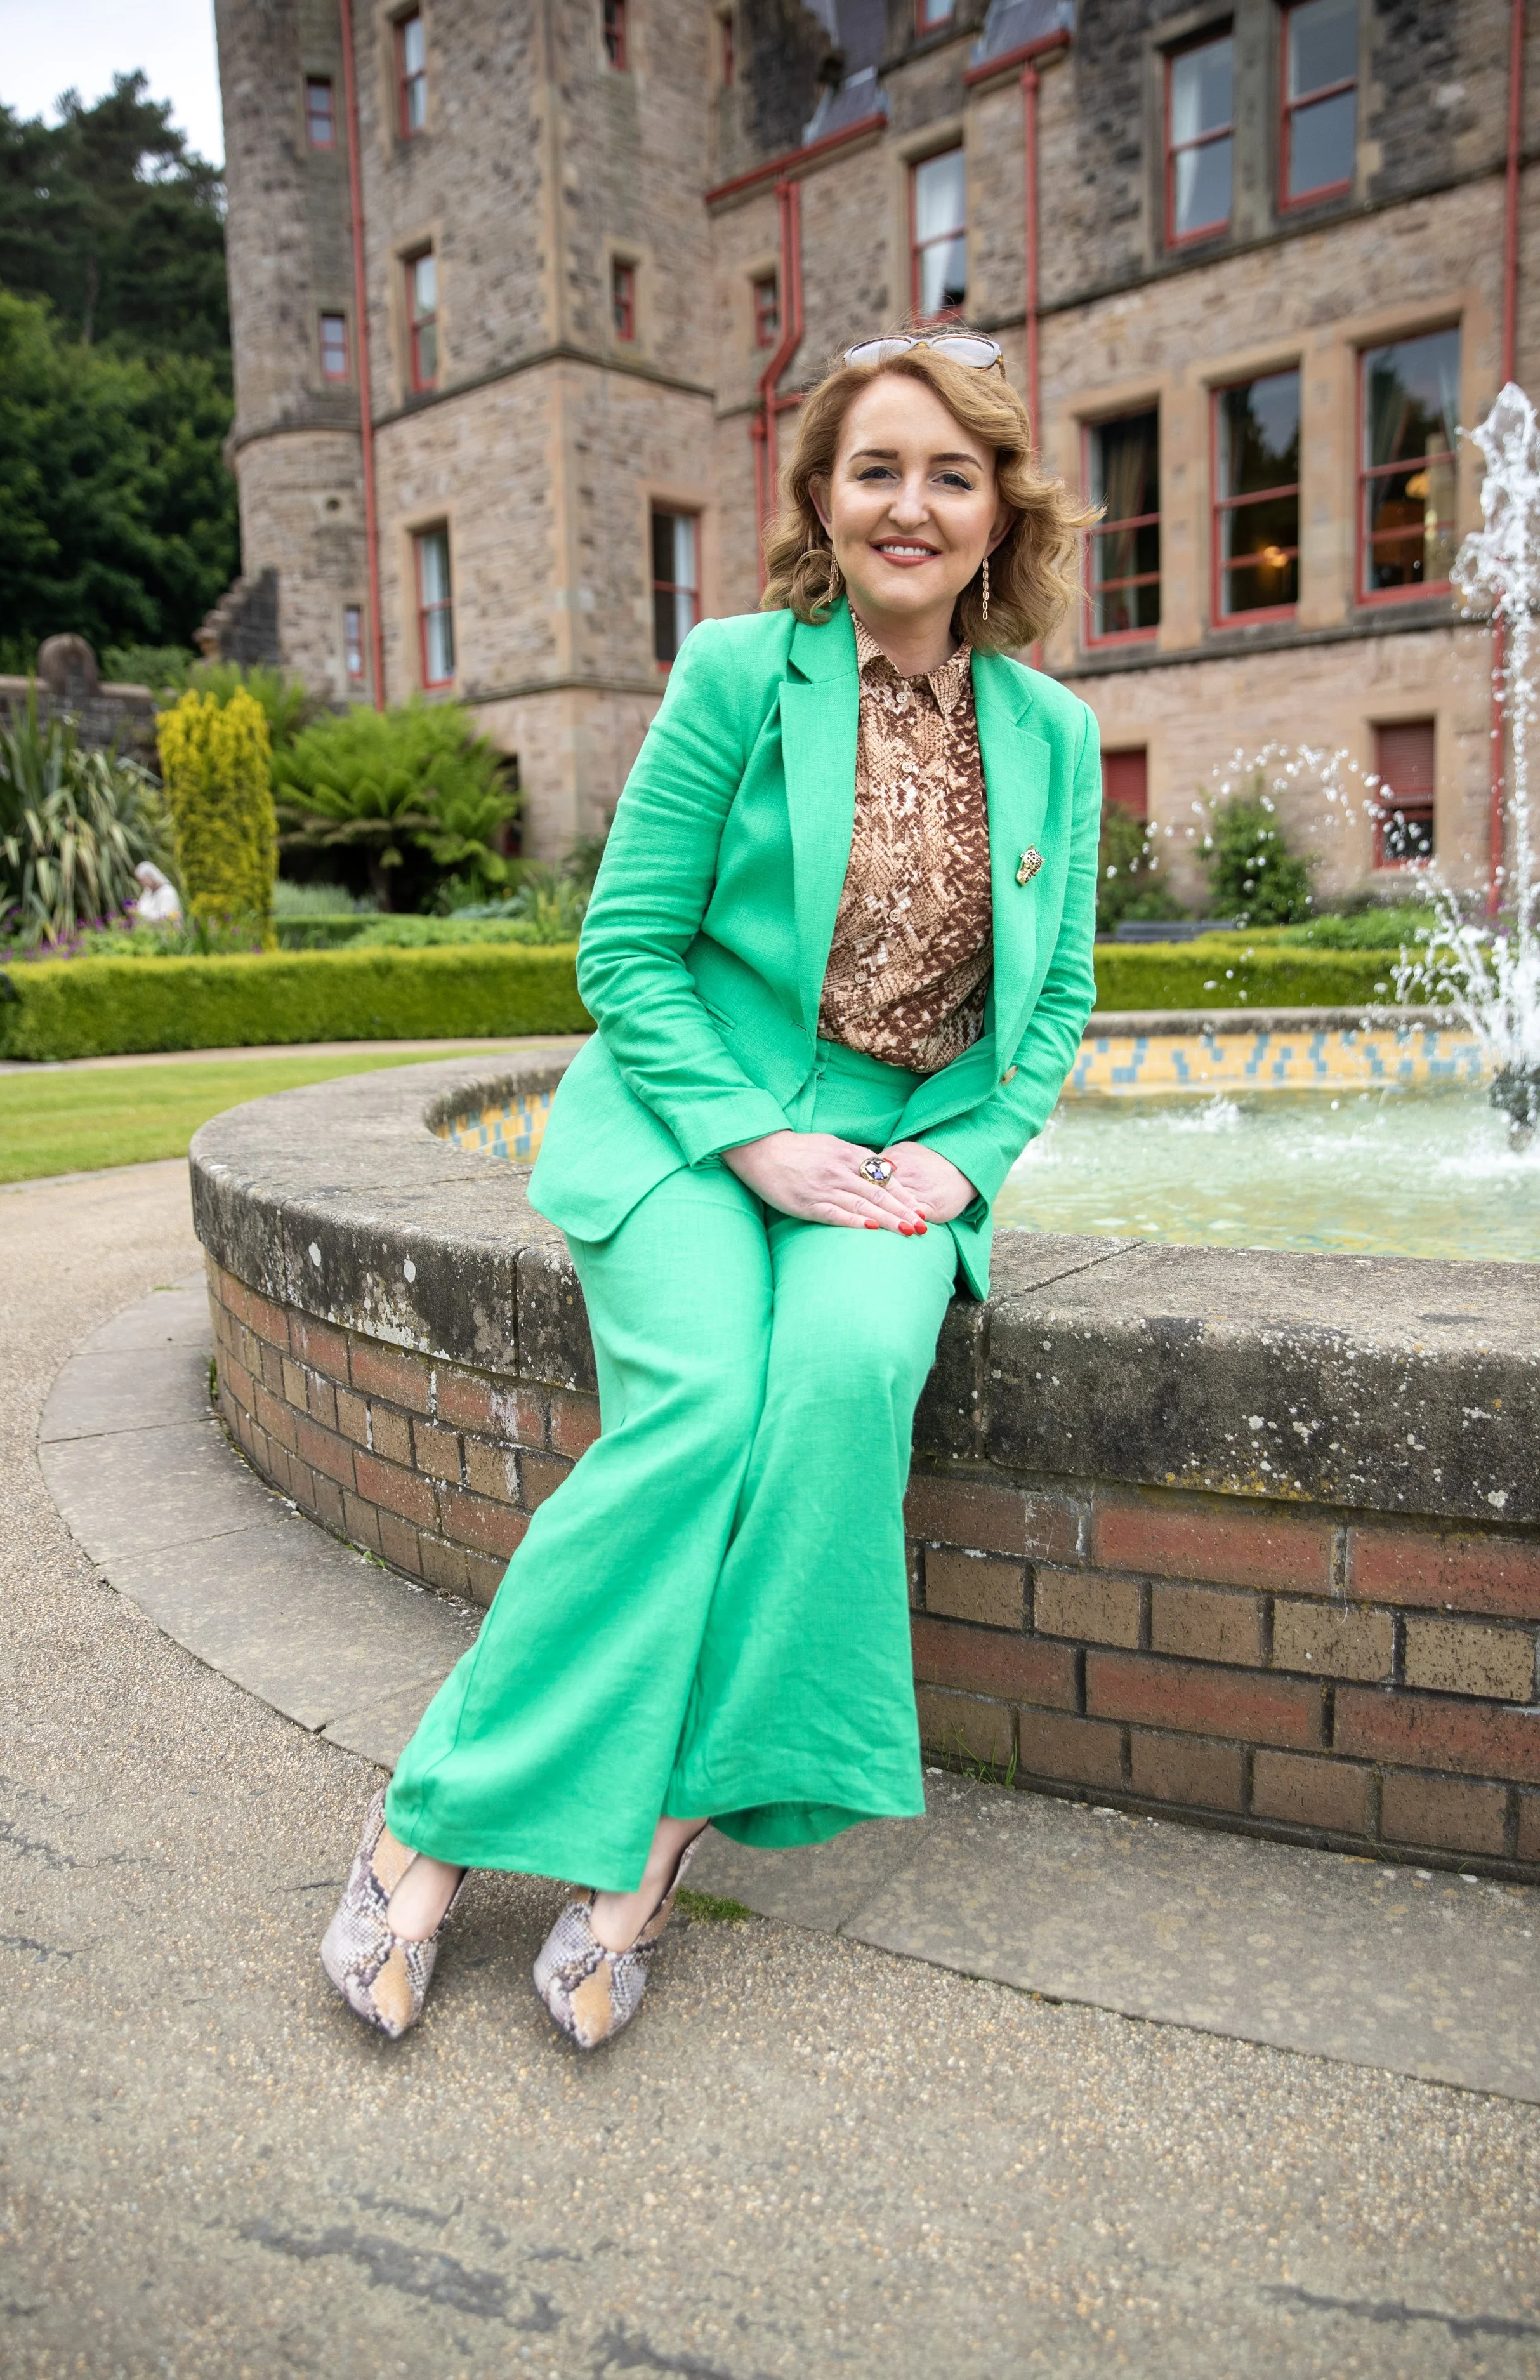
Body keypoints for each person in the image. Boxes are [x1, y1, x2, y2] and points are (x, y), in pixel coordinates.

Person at [321, 329, 1102, 2051]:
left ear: (996, 514)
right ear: (823, 500)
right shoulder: (742, 672)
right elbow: (625, 951)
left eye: (949, 473)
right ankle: (427, 1826)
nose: (911, 502)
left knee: (832, 1391)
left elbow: (1049, 1012)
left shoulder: (1053, 732)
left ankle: (654, 1847)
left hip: (901, 1149)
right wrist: (756, 1139)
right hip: (698, 1125)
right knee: (695, 1413)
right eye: (875, 468)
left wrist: (950, 1161)